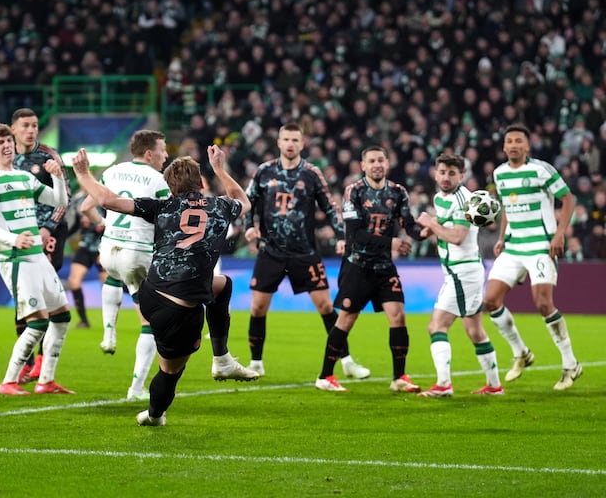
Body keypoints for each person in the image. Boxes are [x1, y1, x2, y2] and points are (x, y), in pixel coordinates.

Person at [72, 145, 252, 426]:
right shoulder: (220, 207)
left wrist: (83, 174)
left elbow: (109, 201)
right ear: (202, 183)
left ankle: (222, 359)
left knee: (221, 284)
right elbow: (244, 200)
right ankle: (154, 415)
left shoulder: (163, 206)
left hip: (151, 294)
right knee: (170, 371)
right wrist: (219, 168)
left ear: (170, 188)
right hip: (180, 309)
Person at [243, 123, 354, 378]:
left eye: (295, 139)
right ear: (279, 143)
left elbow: (330, 207)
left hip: (304, 252)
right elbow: (248, 201)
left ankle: (347, 361)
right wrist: (250, 226)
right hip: (271, 250)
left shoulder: (312, 174)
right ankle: (256, 363)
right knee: (258, 306)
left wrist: (340, 236)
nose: (290, 144)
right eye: (286, 139)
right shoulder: (264, 171)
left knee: (326, 306)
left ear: (302, 144)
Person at [0, 122, 73, 395]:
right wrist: (12, 238)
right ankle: (9, 381)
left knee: (62, 316)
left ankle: (46, 381)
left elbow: (58, 201)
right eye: (0, 142)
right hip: (15, 257)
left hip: (37, 256)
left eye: (8, 141)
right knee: (38, 322)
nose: (6, 146)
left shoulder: (24, 177)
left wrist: (57, 177)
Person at [316, 145, 424, 393]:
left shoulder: (398, 192)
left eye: (381, 160)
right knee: (346, 320)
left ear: (387, 163)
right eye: (372, 160)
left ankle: (399, 377)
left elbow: (408, 224)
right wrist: (391, 242)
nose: (377, 164)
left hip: (385, 268)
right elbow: (354, 235)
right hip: (358, 266)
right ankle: (325, 376)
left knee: (398, 316)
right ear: (363, 165)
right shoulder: (353, 191)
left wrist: (423, 232)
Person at [483, 123, 581, 390]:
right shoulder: (500, 174)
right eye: (509, 141)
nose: (513, 145)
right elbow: (507, 208)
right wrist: (502, 237)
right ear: (504, 147)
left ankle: (571, 364)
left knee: (543, 303)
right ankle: (522, 353)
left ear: (527, 146)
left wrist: (560, 234)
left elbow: (568, 198)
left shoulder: (541, 169)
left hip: (540, 245)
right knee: (490, 300)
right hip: (514, 247)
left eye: (518, 141)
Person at [84, 129, 171, 401]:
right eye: (162, 150)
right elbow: (167, 218)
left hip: (109, 249)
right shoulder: (159, 179)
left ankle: (109, 332)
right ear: (149, 153)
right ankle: (136, 389)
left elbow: (87, 206)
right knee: (151, 322)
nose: (166, 155)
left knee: (113, 276)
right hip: (138, 252)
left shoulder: (112, 171)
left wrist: (105, 224)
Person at [415, 153, 503, 397]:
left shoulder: (466, 201)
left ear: (462, 176)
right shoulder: (440, 197)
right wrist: (428, 229)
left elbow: (457, 236)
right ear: (435, 173)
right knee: (475, 330)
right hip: (463, 270)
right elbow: (443, 227)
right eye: (442, 172)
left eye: (452, 173)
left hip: (462, 273)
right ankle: (494, 386)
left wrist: (431, 224)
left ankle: (443, 385)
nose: (445, 177)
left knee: (436, 326)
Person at [11, 108, 73, 384]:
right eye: (25, 125)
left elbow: (65, 196)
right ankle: (27, 362)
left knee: (43, 290)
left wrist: (47, 228)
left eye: (35, 125)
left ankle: (39, 361)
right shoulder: (8, 158)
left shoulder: (48, 155)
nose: (31, 130)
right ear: (13, 129)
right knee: (23, 293)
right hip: (20, 234)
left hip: (50, 230)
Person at [67, 192, 107, 328]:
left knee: (108, 285)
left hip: (102, 247)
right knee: (74, 282)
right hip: (85, 246)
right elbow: (77, 225)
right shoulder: (78, 199)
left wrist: (106, 247)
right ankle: (84, 321)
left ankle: (109, 323)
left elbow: (111, 224)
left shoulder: (102, 196)